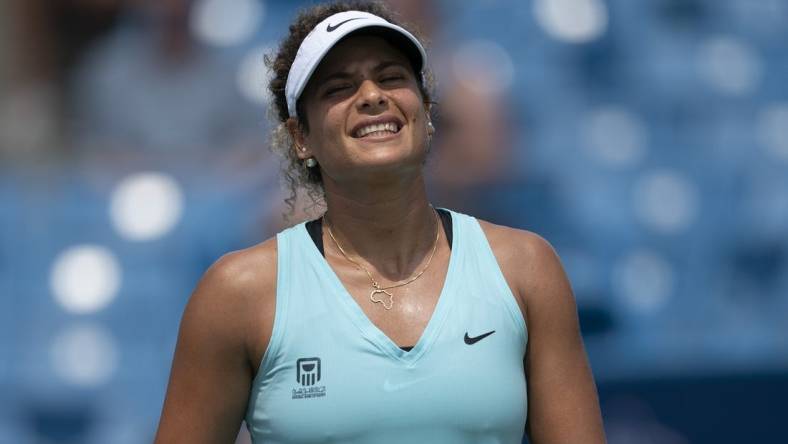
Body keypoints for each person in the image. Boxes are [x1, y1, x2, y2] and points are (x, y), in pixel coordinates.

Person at [155, 1, 606, 443]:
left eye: (392, 77)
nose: (372, 96)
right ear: (301, 137)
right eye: (338, 87)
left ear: (427, 112)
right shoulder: (236, 294)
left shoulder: (527, 267)